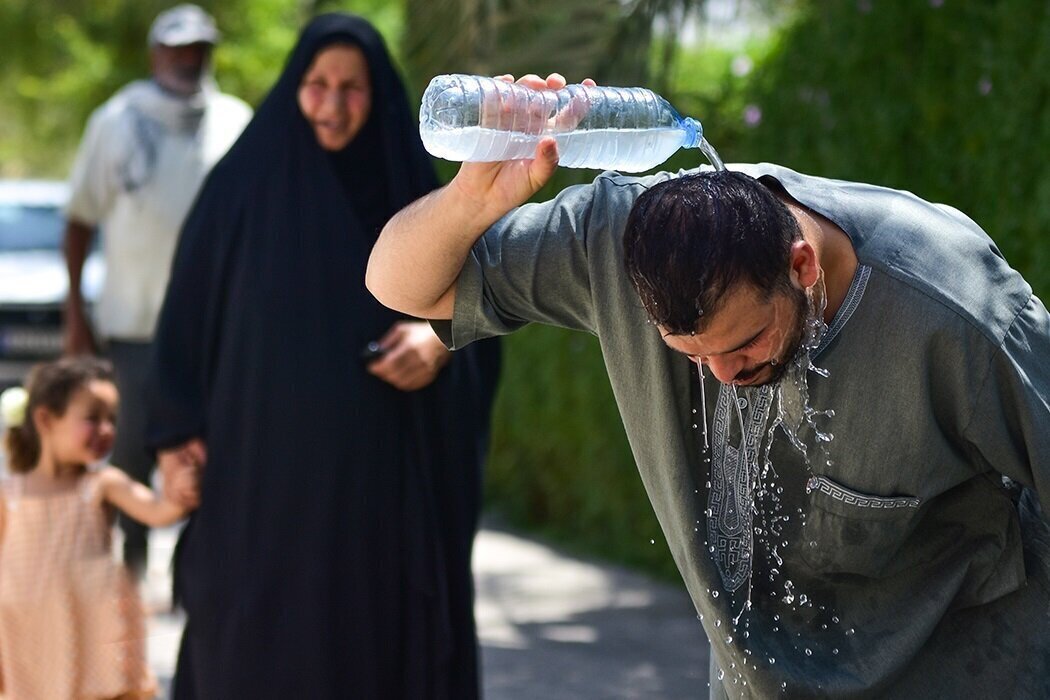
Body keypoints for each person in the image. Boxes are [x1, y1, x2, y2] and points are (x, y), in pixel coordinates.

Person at [367, 73, 1050, 697]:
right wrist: (470, 198)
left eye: (746, 342)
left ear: (801, 265)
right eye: (690, 356)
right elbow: (397, 283)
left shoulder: (953, 306)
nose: (723, 374)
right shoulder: (616, 239)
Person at [148, 14, 500, 699]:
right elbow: (184, 322)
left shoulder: (418, 191)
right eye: (316, 84)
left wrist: (439, 341)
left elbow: (493, 304)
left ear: (382, 97)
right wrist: (171, 438)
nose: (333, 104)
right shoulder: (239, 191)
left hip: (382, 498)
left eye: (353, 88)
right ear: (293, 88)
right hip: (258, 492)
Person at [62, 4, 252, 577]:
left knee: (212, 454)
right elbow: (78, 221)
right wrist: (76, 311)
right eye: (177, 48)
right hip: (134, 326)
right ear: (155, 54)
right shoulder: (114, 121)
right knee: (129, 452)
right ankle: (130, 571)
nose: (188, 59)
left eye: (199, 49)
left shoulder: (235, 121)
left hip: (216, 331)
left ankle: (200, 579)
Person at [0, 357, 196, 699]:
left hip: (89, 639)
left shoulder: (102, 484)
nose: (107, 429)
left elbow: (158, 511)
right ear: (45, 420)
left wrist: (180, 489)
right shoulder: (10, 494)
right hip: (29, 642)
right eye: (93, 418)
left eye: (112, 419)